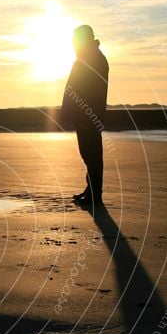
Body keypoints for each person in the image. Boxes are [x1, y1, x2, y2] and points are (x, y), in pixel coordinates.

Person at [61, 25, 109, 207]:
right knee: (88, 154)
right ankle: (91, 190)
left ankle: (95, 194)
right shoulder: (86, 57)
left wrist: (87, 114)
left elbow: (92, 90)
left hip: (89, 115)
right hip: (85, 114)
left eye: (75, 39)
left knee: (92, 155)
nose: (73, 42)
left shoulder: (94, 58)